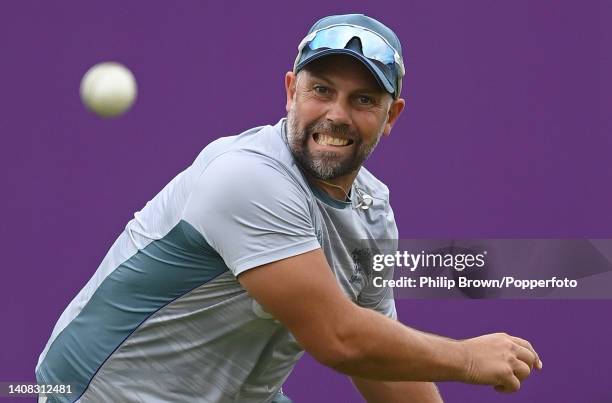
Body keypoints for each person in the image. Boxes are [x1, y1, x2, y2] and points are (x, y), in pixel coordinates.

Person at [36, 13, 542, 403]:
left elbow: (377, 362)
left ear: (392, 116)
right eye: (321, 90)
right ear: (289, 92)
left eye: (364, 100)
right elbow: (340, 340)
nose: (337, 115)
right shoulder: (247, 177)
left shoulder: (371, 208)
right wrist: (469, 360)